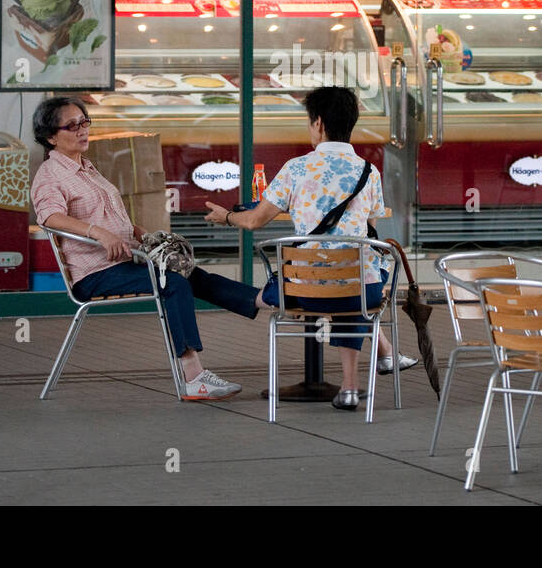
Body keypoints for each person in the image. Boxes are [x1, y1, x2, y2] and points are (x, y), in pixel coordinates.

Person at [31, 96, 268, 400]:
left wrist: (140, 234)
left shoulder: (87, 168)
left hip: (126, 259)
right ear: (51, 136)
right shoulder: (51, 175)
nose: (82, 130)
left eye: (85, 122)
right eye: (72, 125)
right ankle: (193, 377)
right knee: (174, 283)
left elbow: (113, 217)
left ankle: (264, 299)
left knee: (190, 274)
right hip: (95, 273)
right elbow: (49, 216)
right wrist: (99, 233)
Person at [204, 85, 415, 410]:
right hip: (362, 292)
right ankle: (352, 384)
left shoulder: (296, 168)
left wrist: (227, 217)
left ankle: (372, 364)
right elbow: (372, 222)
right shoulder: (369, 172)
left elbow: (254, 221)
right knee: (352, 283)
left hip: (304, 292)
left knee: (320, 281)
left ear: (318, 123)